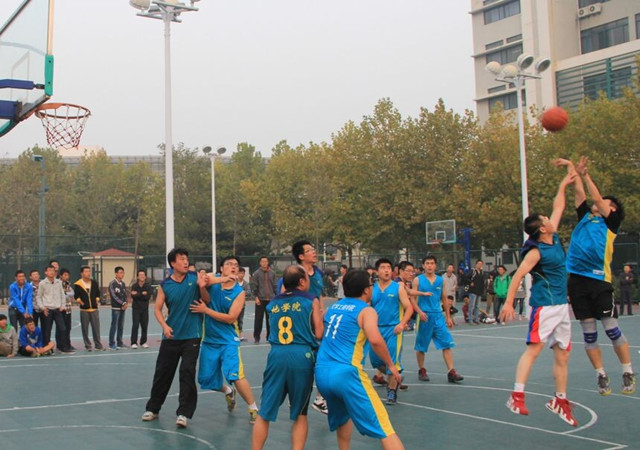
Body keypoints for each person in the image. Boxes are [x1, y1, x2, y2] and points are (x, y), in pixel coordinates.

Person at [500, 169, 578, 426]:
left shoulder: (552, 238)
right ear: (543, 228)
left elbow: (559, 205)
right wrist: (509, 302)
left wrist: (564, 184)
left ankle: (560, 400)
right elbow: (518, 275)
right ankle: (516, 396)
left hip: (562, 306)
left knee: (563, 355)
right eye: (546, 218)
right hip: (545, 306)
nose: (550, 218)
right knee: (534, 350)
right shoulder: (536, 251)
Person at [555, 156, 635, 395]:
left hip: (599, 281)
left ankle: (627, 371)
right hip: (577, 281)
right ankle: (601, 375)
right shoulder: (585, 218)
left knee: (611, 330)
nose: (597, 203)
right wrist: (571, 168)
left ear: (612, 209)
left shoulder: (611, 223)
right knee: (589, 335)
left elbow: (597, 198)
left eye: (604, 202)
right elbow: (579, 193)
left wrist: (586, 174)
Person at [315, 269, 404, 450]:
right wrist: (391, 365)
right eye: (371, 284)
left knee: (343, 417)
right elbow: (375, 340)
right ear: (366, 290)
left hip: (322, 373)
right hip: (346, 374)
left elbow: (320, 333)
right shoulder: (366, 310)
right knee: (385, 428)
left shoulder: (334, 307)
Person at [252, 265, 323, 450]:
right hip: (301, 355)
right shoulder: (311, 300)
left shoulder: (273, 303)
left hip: (277, 355)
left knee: (264, 412)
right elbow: (319, 333)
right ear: (302, 281)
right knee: (300, 413)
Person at [142, 248, 211, 428]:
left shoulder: (195, 277)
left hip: (192, 335)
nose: (186, 262)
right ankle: (153, 409)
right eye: (181, 259)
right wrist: (165, 326)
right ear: (173, 263)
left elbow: (207, 300)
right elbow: (157, 309)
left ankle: (183, 413)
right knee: (162, 373)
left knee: (187, 372)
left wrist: (202, 287)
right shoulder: (165, 285)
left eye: (187, 259)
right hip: (171, 336)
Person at [190, 256, 259, 424]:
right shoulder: (213, 281)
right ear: (221, 268)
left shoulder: (239, 292)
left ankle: (254, 408)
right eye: (229, 264)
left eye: (236, 265)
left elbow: (230, 318)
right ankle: (228, 391)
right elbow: (203, 282)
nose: (233, 267)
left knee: (236, 375)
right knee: (206, 380)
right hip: (209, 341)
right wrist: (219, 280)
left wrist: (206, 311)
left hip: (229, 341)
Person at [411, 255, 463, 383]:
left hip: (438, 316)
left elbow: (444, 298)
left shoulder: (440, 280)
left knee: (446, 343)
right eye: (427, 263)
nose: (429, 266)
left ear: (435, 265)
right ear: (423, 265)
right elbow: (412, 298)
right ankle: (422, 369)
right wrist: (419, 312)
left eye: (432, 263)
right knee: (421, 346)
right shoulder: (417, 280)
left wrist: (448, 317)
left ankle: (451, 371)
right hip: (424, 316)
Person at [368, 258, 413, 404]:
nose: (386, 270)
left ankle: (392, 391)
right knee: (375, 361)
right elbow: (366, 307)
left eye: (389, 267)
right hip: (376, 330)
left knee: (392, 361)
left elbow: (409, 307)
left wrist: (402, 323)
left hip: (393, 330)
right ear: (377, 271)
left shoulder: (398, 288)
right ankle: (396, 374)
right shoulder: (372, 289)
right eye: (383, 267)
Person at [292, 240, 328, 414]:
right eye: (310, 250)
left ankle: (320, 398)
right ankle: (298, 397)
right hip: (301, 324)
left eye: (314, 249)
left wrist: (321, 311)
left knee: (323, 359)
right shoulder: (294, 273)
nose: (314, 252)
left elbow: (319, 295)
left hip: (317, 322)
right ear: (301, 256)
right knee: (304, 362)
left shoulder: (318, 273)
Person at [36, 264, 73, 354]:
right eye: (49, 270)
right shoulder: (42, 283)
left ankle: (63, 347)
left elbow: (62, 295)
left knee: (62, 328)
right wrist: (43, 308)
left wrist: (62, 306)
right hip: (47, 310)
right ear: (46, 272)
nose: (52, 272)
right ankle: (47, 349)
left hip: (57, 309)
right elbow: (39, 297)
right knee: (47, 330)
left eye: (53, 270)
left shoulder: (58, 282)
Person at [74, 266, 104, 351]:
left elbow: (98, 293)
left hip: (94, 309)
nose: (88, 273)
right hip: (84, 310)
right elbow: (76, 295)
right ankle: (88, 346)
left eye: (89, 271)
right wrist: (80, 301)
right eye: (86, 271)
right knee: (85, 329)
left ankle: (98, 345)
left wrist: (97, 299)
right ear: (82, 273)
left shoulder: (94, 283)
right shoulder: (78, 284)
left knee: (96, 328)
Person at [251, 256, 277, 344]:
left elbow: (275, 286)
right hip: (260, 299)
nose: (264, 263)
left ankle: (269, 337)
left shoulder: (272, 273)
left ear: (268, 262)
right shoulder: (256, 273)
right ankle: (256, 337)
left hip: (271, 299)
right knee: (258, 319)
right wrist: (256, 297)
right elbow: (254, 286)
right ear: (260, 263)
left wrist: (276, 297)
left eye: (266, 261)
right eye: (263, 261)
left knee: (270, 319)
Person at [130, 269, 153, 349]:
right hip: (136, 309)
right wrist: (142, 294)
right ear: (137, 277)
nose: (142, 276)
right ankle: (133, 342)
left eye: (143, 275)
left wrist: (138, 294)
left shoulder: (148, 286)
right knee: (135, 325)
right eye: (140, 275)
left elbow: (147, 297)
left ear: (145, 277)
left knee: (144, 325)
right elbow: (133, 296)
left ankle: (143, 342)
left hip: (145, 309)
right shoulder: (134, 286)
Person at [108, 266, 129, 350]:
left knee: (121, 326)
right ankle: (111, 344)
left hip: (123, 308)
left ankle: (120, 342)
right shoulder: (112, 284)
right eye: (120, 272)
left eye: (123, 273)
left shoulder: (123, 284)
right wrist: (122, 303)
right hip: (116, 308)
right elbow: (113, 296)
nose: (122, 274)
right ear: (116, 273)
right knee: (114, 326)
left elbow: (125, 295)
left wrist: (126, 303)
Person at [59, 268, 76, 351]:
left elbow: (72, 293)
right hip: (62, 308)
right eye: (65, 275)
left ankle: (68, 344)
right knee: (62, 328)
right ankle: (62, 345)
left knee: (68, 327)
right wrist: (67, 294)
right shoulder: (58, 284)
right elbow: (62, 294)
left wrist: (67, 294)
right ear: (61, 276)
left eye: (68, 275)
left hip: (68, 308)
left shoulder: (68, 284)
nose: (67, 277)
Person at [467, 260, 485, 324]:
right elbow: (466, 277)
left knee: (477, 306)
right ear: (476, 264)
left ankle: (476, 319)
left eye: (481, 264)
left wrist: (482, 290)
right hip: (473, 291)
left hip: (479, 291)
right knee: (471, 306)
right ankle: (470, 319)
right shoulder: (473, 271)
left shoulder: (482, 272)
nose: (480, 265)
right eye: (478, 264)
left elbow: (483, 282)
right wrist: (470, 282)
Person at [237, 267, 252, 341]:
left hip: (242, 305)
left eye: (242, 273)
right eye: (240, 273)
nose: (241, 275)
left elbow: (249, 292)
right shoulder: (234, 282)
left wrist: (242, 293)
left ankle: (239, 335)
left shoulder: (246, 283)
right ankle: (233, 335)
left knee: (240, 320)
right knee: (233, 320)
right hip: (233, 305)